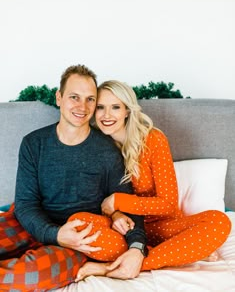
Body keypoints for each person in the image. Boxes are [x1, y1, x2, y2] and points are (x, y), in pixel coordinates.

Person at [0, 66, 146, 291]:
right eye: (74, 97)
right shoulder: (33, 143)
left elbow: (128, 207)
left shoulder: (107, 151)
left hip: (79, 239)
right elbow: (26, 204)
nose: (82, 107)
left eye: (90, 99)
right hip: (30, 221)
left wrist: (137, 247)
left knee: (22, 277)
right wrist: (55, 234)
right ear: (59, 98)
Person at [76, 79, 232, 280]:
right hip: (123, 231)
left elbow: (167, 204)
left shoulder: (153, 140)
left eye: (115, 107)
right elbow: (94, 200)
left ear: (127, 111)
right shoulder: (92, 146)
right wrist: (115, 214)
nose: (107, 115)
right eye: (100, 107)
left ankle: (115, 267)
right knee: (78, 223)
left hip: (162, 227)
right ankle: (172, 253)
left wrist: (119, 201)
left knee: (219, 222)